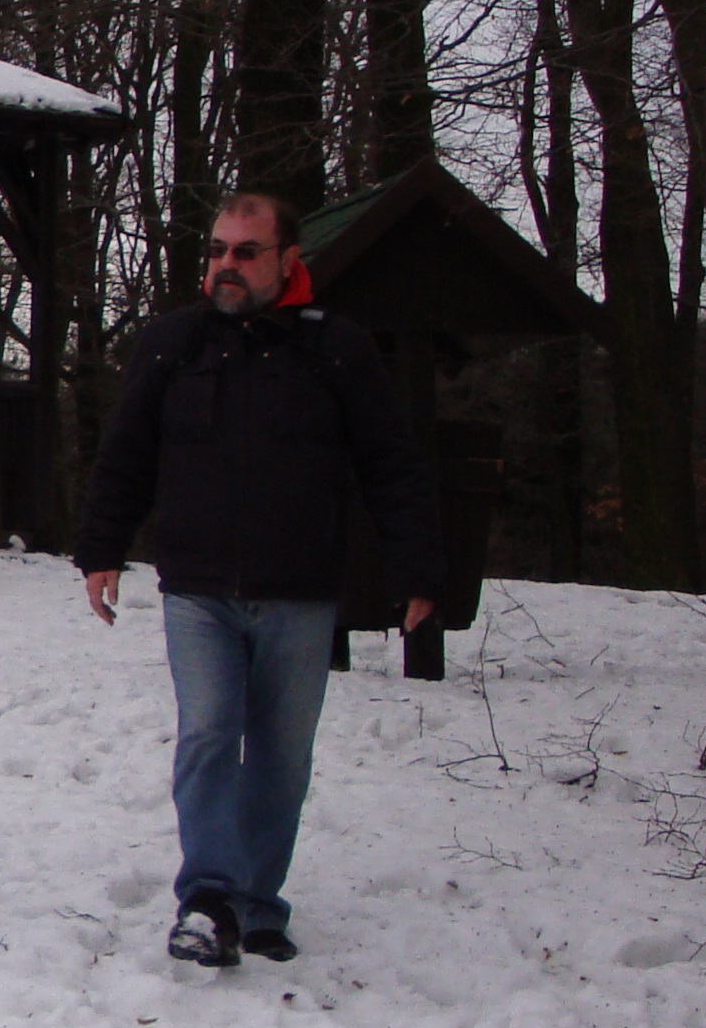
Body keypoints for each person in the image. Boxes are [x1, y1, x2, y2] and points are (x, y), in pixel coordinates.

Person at [74, 189, 440, 971]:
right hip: (197, 586)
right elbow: (125, 452)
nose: (226, 265)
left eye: (245, 251)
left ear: (287, 260)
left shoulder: (336, 349)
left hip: (299, 589)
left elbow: (391, 463)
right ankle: (208, 899)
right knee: (209, 732)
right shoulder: (172, 344)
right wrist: (101, 548)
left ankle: (256, 903)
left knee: (280, 754)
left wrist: (416, 567)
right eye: (216, 251)